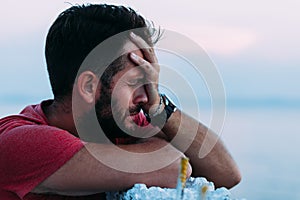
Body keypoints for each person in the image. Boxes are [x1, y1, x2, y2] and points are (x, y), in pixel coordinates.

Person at [0, 3, 241, 200]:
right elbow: (172, 166)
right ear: (88, 86)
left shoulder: (118, 122)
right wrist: (154, 148)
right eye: (136, 82)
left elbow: (228, 175)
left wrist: (160, 110)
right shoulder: (19, 142)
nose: (147, 96)